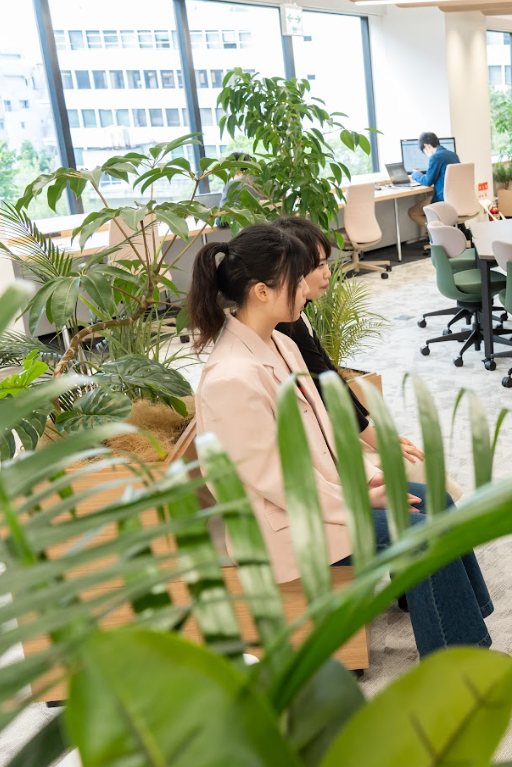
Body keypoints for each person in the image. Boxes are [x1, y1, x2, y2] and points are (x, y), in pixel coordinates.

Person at [187, 223, 492, 656]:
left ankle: (467, 630)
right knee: (420, 532)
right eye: (297, 279)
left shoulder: (278, 342)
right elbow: (276, 481)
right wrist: (362, 501)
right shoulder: (230, 378)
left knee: (435, 500)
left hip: (320, 499)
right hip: (285, 523)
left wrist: (366, 481)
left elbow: (324, 436)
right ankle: (455, 659)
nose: (307, 288)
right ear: (261, 292)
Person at [268, 216, 464, 500]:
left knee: (408, 455)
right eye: (319, 265)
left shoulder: (297, 315)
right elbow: (325, 389)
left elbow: (329, 375)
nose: (327, 273)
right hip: (316, 442)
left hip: (325, 426)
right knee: (412, 463)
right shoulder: (288, 325)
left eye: (326, 263)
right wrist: (377, 439)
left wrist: (370, 424)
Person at [406, 132, 461, 230]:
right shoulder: (453, 155)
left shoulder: (435, 157)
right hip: (456, 198)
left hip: (443, 199)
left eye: (424, 151)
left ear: (426, 146)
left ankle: (439, 232)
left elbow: (428, 181)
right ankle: (440, 233)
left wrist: (415, 174)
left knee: (413, 212)